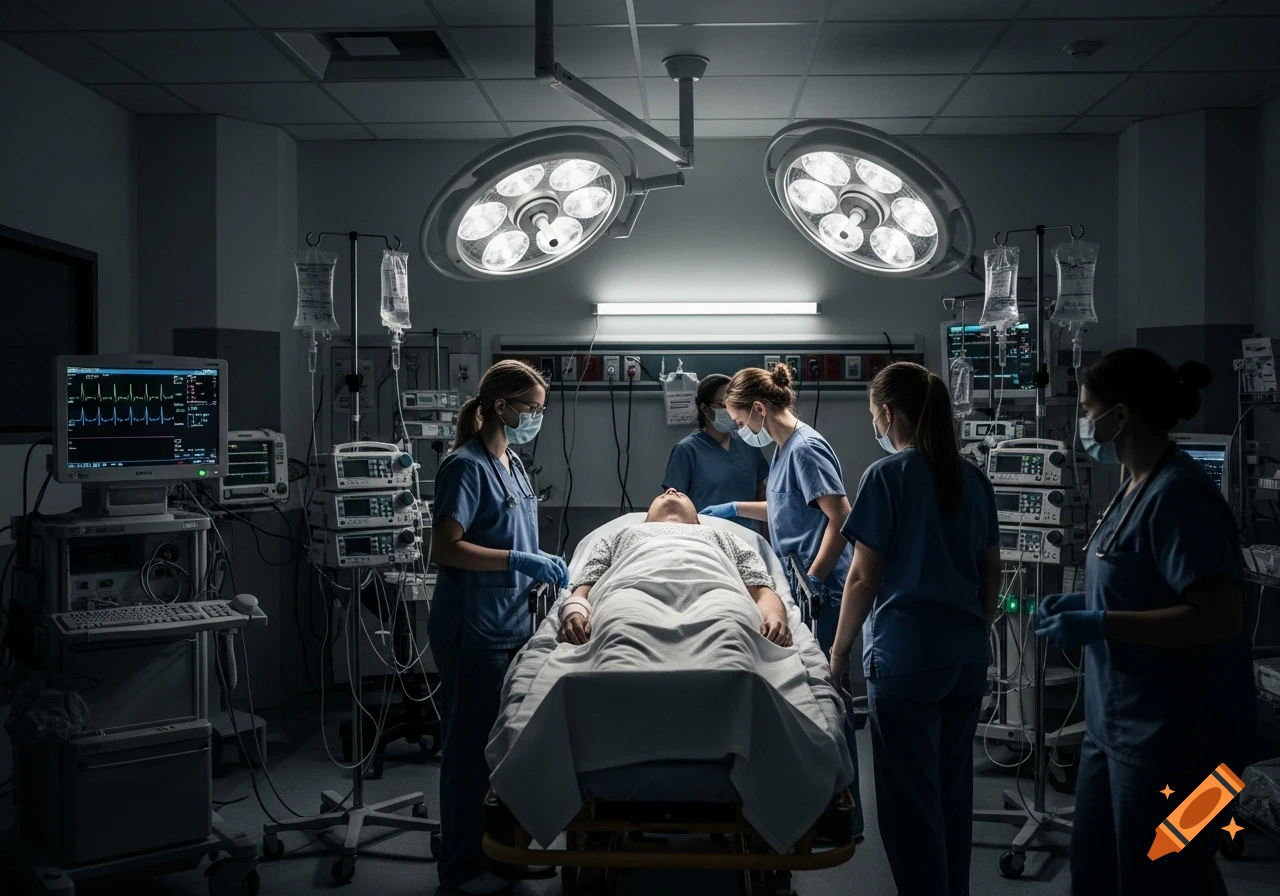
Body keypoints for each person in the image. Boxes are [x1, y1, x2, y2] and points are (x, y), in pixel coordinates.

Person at [1035, 348, 1254, 896]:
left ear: (1121, 415)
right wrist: (1083, 607)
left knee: (1170, 879)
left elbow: (1220, 618)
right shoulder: (1133, 485)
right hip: (1113, 730)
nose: (1082, 423)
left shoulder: (1180, 495)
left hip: (1182, 741)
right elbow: (1133, 578)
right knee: (1096, 874)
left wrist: (1102, 624)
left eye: (1087, 409)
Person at [830, 361, 1001, 896]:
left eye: (874, 416)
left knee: (909, 806)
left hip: (907, 662)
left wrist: (838, 655)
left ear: (887, 413)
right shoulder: (972, 477)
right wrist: (970, 628)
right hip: (965, 658)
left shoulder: (888, 477)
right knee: (952, 793)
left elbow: (862, 577)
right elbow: (990, 573)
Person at [427, 359, 570, 896]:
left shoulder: (511, 461)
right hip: (472, 630)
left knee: (504, 749)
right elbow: (445, 546)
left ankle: (501, 852)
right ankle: (461, 866)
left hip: (511, 624)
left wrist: (537, 562)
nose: (536, 418)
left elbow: (516, 530)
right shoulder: (465, 466)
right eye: (530, 409)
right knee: (469, 754)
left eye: (540, 410)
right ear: (502, 406)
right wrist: (518, 560)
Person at [702, 363, 852, 654]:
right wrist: (734, 509)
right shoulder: (784, 447)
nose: (740, 430)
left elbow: (842, 516)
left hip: (823, 588)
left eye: (740, 422)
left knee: (826, 676)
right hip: (805, 580)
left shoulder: (805, 449)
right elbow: (788, 508)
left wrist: (814, 579)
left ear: (759, 409)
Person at [557, 488, 791, 647]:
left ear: (697, 519)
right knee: (619, 632)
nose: (671, 491)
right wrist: (574, 614)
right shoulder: (622, 535)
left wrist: (775, 617)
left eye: (680, 494)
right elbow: (584, 587)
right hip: (630, 593)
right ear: (646, 520)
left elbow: (762, 590)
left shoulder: (722, 536)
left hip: (717, 594)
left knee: (731, 634)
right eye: (663, 494)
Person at [662, 374, 770, 534]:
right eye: (725, 404)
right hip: (707, 542)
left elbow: (761, 493)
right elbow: (673, 509)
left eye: (736, 403)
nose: (733, 410)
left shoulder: (747, 442)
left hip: (750, 539)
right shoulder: (687, 451)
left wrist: (768, 544)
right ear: (705, 409)